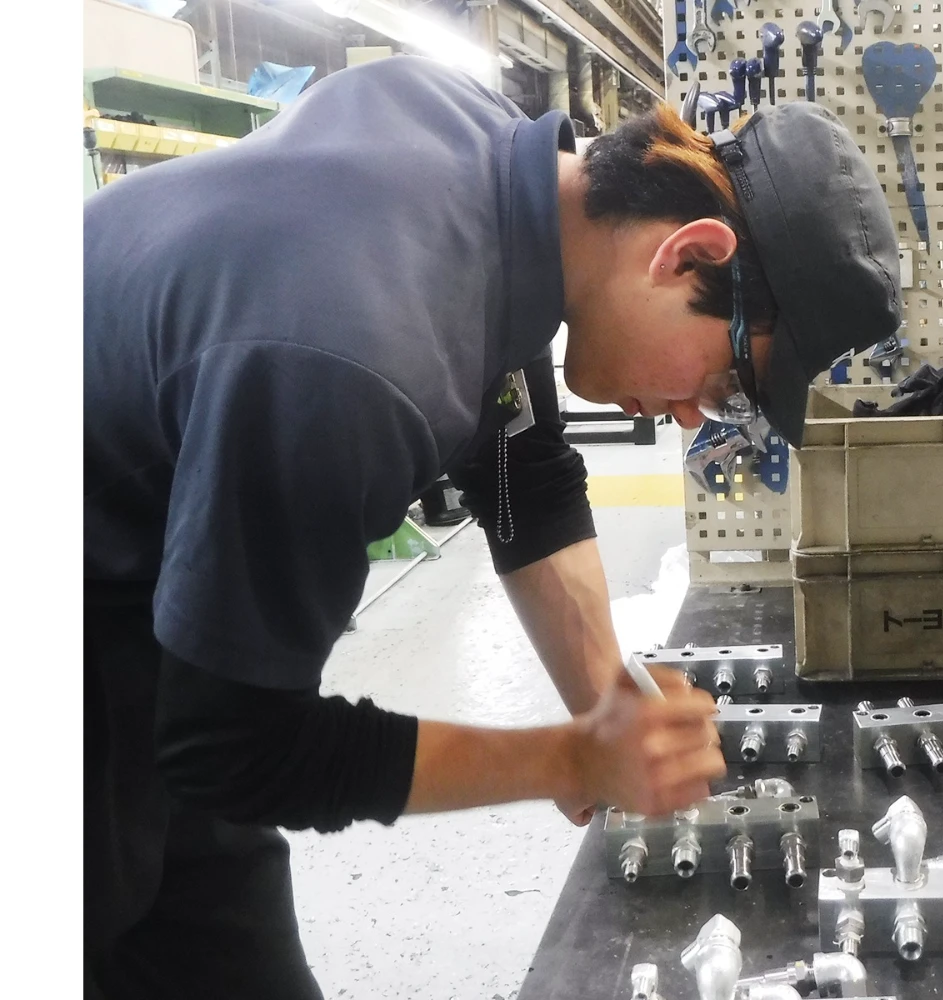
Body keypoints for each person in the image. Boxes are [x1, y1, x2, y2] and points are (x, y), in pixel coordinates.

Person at [84, 55, 900, 997]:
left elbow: (520, 465)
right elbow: (234, 744)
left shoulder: (488, 157)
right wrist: (567, 759)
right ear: (687, 255)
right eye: (724, 383)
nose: (689, 415)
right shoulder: (352, 360)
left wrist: (610, 707)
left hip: (147, 595)